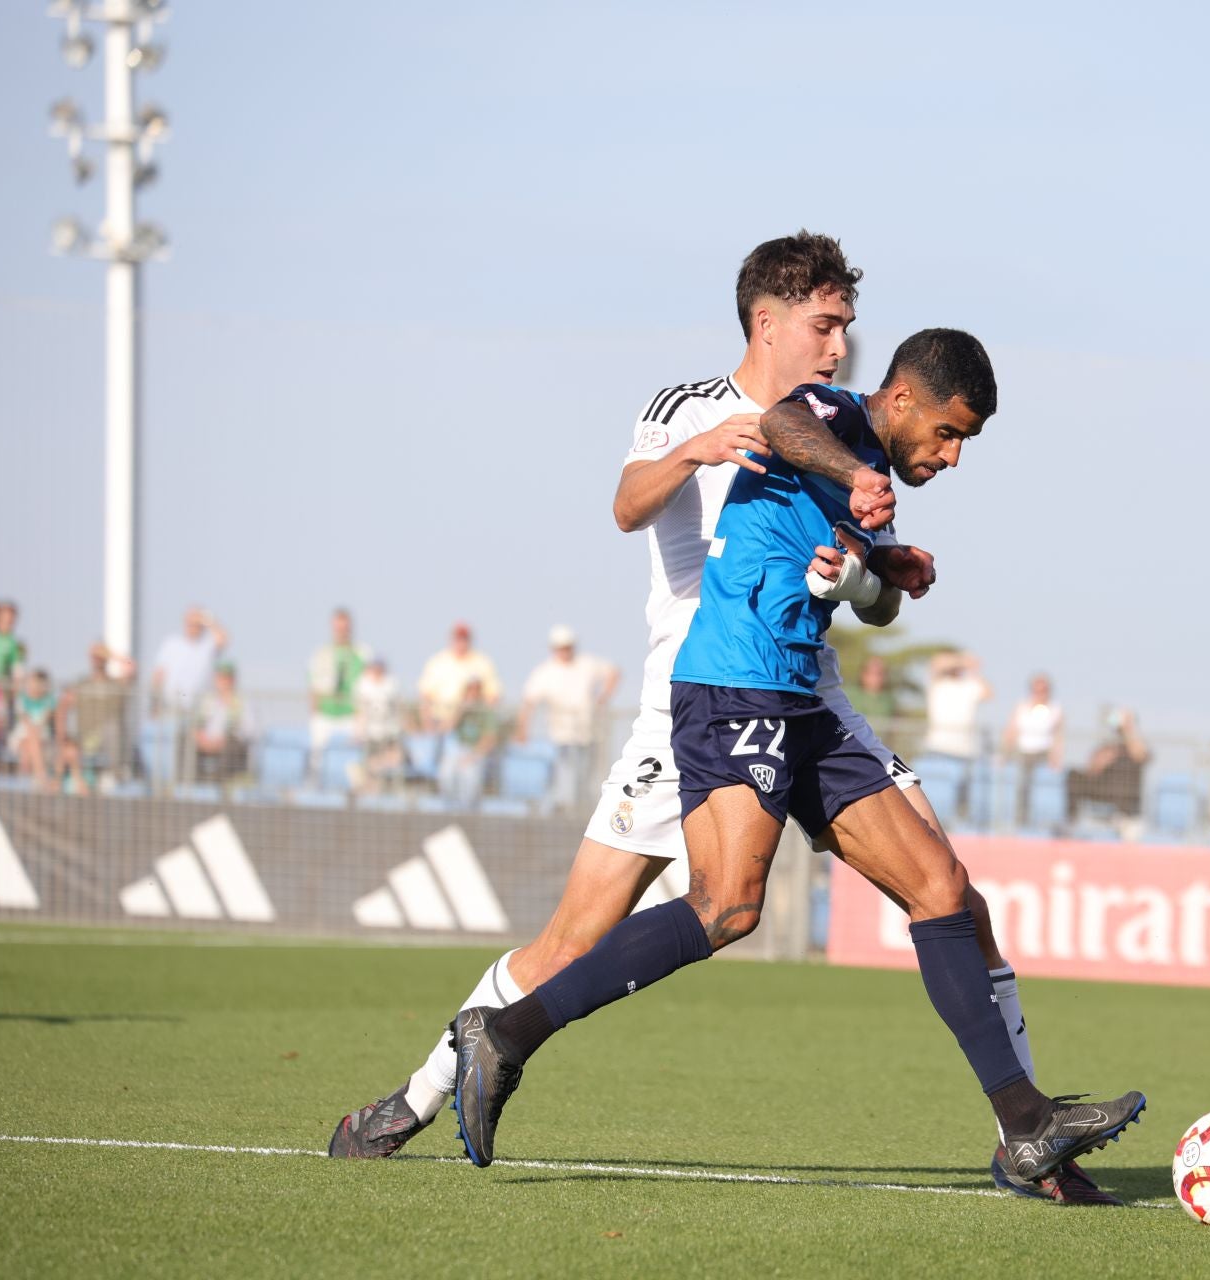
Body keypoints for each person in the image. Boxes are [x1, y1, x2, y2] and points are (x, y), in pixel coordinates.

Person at [327, 236, 1118, 1205]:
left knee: (952, 894)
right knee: (583, 936)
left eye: (847, 329)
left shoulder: (848, 431)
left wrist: (870, 568)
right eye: (824, 326)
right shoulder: (695, 408)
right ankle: (413, 1099)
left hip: (805, 683)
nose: (837, 347)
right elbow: (627, 504)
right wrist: (694, 451)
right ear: (767, 320)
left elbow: (865, 575)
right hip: (696, 692)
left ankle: (1025, 1131)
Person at [518, 625, 617, 811]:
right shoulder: (545, 672)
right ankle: (566, 813)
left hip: (588, 734)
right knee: (566, 779)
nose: (565, 651)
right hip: (561, 737)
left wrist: (602, 698)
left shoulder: (586, 663)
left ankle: (580, 814)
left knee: (586, 779)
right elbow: (528, 702)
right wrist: (523, 729)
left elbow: (613, 672)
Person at [922, 650, 992, 820]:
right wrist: (963, 661)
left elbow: (988, 693)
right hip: (938, 748)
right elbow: (936, 663)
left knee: (962, 799)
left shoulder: (969, 685)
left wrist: (973, 670)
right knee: (936, 797)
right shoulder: (938, 683)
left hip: (965, 751)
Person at [1064, 708, 1153, 840]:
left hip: (1124, 792)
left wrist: (1128, 729)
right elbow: (1092, 768)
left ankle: (1124, 821)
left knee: (1124, 780)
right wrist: (1102, 759)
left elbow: (1140, 755)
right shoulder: (1109, 745)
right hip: (1103, 787)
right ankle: (1071, 822)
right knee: (1073, 775)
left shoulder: (1136, 743)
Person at [63, 642, 137, 783]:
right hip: (84, 741)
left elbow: (131, 667)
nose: (97, 659)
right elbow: (62, 706)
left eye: (100, 656)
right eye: (94, 656)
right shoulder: (81, 684)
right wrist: (65, 738)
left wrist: (113, 655)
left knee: (113, 727)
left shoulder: (117, 685)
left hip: (108, 743)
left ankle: (117, 774)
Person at [308, 608, 371, 765]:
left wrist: (361, 713)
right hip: (326, 714)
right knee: (317, 756)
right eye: (338, 627)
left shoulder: (363, 653)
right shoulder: (321, 653)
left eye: (345, 627)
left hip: (352, 715)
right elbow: (314, 689)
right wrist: (316, 712)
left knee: (359, 758)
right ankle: (314, 784)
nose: (342, 631)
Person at [1001, 674, 1065, 830]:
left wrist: (1056, 757)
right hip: (1023, 752)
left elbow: (1058, 736)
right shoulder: (1022, 707)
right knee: (1021, 787)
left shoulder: (1056, 709)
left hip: (1043, 752)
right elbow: (1011, 730)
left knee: (1042, 788)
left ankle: (1042, 824)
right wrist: (1004, 753)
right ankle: (1019, 822)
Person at [417, 623, 501, 732]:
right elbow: (425, 696)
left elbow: (493, 696)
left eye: (464, 639)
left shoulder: (482, 662)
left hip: (472, 723)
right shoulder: (438, 661)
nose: (461, 643)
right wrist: (428, 724)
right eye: (458, 639)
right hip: (438, 719)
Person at [437, 676, 502, 808]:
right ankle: (449, 809)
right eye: (470, 690)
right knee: (446, 772)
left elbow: (490, 739)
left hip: (476, 753)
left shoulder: (487, 711)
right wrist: (461, 711)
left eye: (476, 690)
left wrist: (473, 756)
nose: (472, 694)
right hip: (457, 750)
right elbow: (445, 729)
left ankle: (465, 812)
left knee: (468, 775)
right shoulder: (459, 709)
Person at [150, 607, 226, 718]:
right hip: (171, 707)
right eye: (190, 623)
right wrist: (155, 702)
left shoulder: (207, 646)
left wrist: (208, 620)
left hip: (199, 710)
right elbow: (158, 674)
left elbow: (223, 639)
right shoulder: (171, 643)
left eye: (197, 624)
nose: (193, 627)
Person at [349, 655, 406, 794]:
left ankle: (386, 787)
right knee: (367, 766)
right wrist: (358, 732)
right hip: (370, 734)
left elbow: (399, 708)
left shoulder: (391, 683)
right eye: (375, 668)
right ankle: (368, 787)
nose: (378, 671)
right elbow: (359, 711)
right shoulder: (363, 684)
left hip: (389, 733)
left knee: (393, 760)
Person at [192, 662, 256, 783]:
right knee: (186, 742)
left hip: (231, 748)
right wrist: (201, 738)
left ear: (233, 680)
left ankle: (218, 784)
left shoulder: (243, 702)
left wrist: (223, 740)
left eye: (227, 678)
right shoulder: (207, 700)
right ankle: (191, 783)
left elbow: (250, 732)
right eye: (220, 678)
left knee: (230, 746)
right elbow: (197, 724)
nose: (223, 682)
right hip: (206, 744)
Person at [8, 669, 58, 789]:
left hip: (41, 739)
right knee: (31, 741)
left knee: (29, 747)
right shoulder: (22, 698)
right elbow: (26, 721)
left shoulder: (49, 700)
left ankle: (25, 782)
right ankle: (42, 777)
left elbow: (44, 721)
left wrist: (35, 731)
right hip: (23, 736)